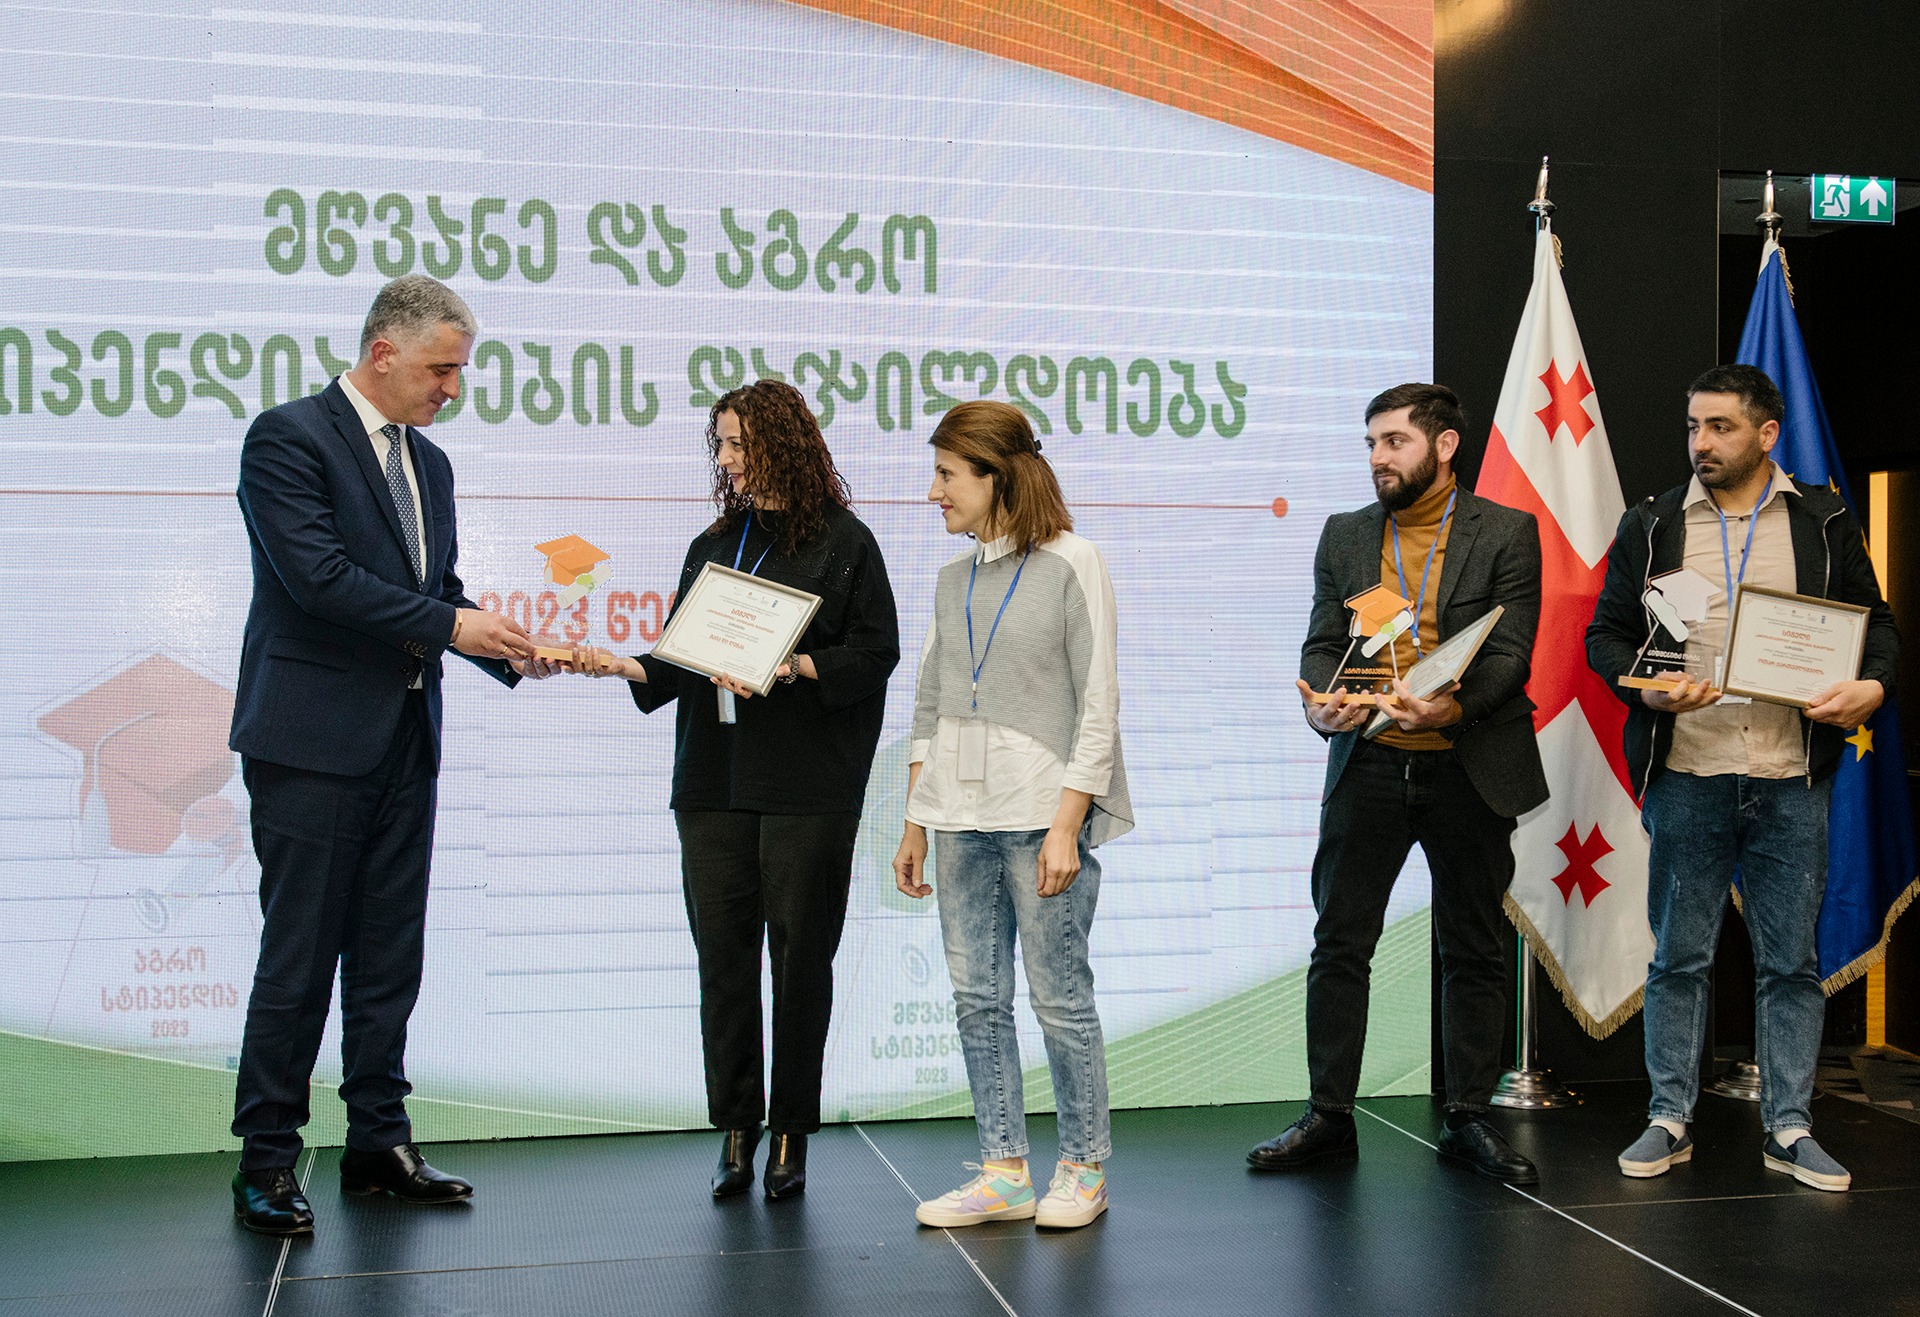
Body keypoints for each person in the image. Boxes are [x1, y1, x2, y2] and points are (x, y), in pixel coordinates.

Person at [227, 275, 537, 1235]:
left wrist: (510, 647)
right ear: (383, 352)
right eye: (442, 369)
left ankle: (378, 1142)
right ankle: (267, 1157)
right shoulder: (288, 438)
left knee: (389, 954)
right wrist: (454, 625)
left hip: (405, 735)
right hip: (311, 742)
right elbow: (320, 580)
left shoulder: (428, 465)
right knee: (300, 956)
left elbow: (434, 590)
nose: (452, 388)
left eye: (459, 371)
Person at [570, 380, 898, 1200]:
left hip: (807, 787)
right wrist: (619, 664)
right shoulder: (716, 541)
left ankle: (790, 1131)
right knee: (722, 961)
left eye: (738, 444)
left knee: (800, 962)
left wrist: (796, 665)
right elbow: (678, 659)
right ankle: (738, 1124)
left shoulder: (846, 543)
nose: (725, 459)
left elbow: (875, 654)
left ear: (783, 443)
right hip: (711, 782)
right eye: (719, 444)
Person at [1586, 364, 1897, 1192]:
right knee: (1679, 956)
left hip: (1791, 773)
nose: (1702, 442)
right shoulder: (1654, 523)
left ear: (1767, 433)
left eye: (1720, 427)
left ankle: (1790, 1125)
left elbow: (1878, 626)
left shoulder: (1823, 520)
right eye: (1694, 426)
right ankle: (1669, 1116)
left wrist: (1871, 686)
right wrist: (1643, 687)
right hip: (1689, 767)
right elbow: (1605, 635)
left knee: (1791, 961)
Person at [1247, 383, 1547, 1184]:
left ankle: (1469, 1117)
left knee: (1473, 947)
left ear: (1444, 445)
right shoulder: (1346, 534)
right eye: (1371, 443)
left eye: (1394, 442)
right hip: (1369, 764)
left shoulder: (1507, 531)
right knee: (1340, 942)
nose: (1377, 457)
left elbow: (1512, 654)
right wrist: (1321, 703)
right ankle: (1328, 1116)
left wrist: (1453, 703)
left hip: (1467, 762)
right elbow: (1324, 641)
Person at [892, 399, 1131, 1231]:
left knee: (1059, 998)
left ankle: (1083, 1166)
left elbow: (1098, 701)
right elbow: (929, 704)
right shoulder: (951, 580)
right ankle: (1002, 1170)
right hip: (957, 819)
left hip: (1039, 816)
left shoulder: (1073, 561)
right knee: (976, 1000)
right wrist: (914, 821)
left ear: (997, 476)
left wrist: (1067, 824)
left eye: (947, 475)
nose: (934, 493)